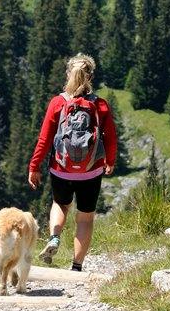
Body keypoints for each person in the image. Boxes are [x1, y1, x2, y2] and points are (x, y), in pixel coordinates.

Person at [28, 54, 117, 272]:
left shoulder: (58, 103)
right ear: (90, 77)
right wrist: (110, 160)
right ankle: (76, 267)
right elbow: (111, 138)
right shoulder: (100, 105)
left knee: (60, 204)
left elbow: (44, 139)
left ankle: (54, 237)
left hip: (61, 169)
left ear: (68, 74)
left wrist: (34, 166)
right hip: (91, 170)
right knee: (85, 218)